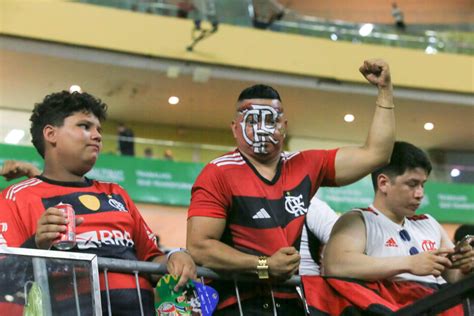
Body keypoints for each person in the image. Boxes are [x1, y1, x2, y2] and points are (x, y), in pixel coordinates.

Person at [187, 58, 396, 315]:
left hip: (290, 303)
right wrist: (263, 265)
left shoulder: (305, 164)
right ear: (234, 129)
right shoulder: (217, 173)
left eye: (270, 120)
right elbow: (199, 247)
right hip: (238, 304)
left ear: (284, 127)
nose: (262, 129)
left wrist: (385, 91)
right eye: (252, 121)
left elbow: (377, 154)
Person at [0, 91, 196, 315]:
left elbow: (150, 258)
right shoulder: (16, 198)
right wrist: (36, 245)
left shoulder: (116, 193)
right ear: (50, 134)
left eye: (99, 129)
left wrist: (176, 257)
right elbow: (4, 277)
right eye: (85, 126)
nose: (97, 136)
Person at [320, 141, 473, 314]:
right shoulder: (358, 220)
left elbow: (454, 276)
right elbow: (335, 265)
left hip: (438, 305)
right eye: (412, 184)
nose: (420, 194)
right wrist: (408, 263)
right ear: (384, 183)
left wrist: (465, 265)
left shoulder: (429, 222)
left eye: (423, 184)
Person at [299, 196, 339, 276]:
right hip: (268, 283)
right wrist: (267, 268)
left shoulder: (315, 208)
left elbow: (343, 260)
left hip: (309, 285)